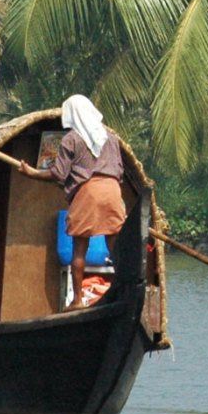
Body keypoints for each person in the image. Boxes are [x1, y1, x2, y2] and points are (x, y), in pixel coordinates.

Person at [20, 94, 127, 309]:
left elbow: (58, 174)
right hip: (113, 191)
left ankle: (78, 301)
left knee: (80, 248)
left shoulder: (72, 138)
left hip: (89, 193)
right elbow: (120, 171)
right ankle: (122, 292)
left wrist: (31, 172)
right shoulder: (111, 138)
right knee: (116, 248)